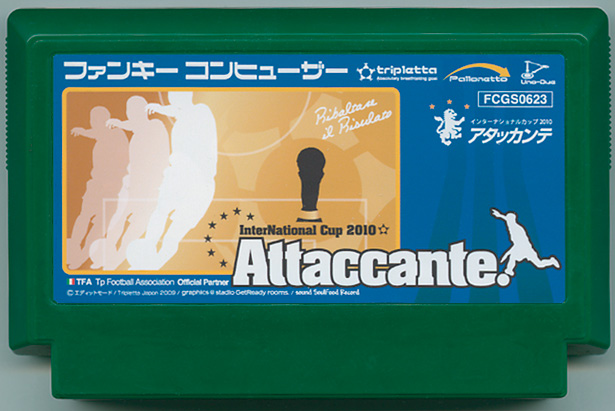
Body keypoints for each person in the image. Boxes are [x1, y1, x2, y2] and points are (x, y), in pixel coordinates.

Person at [126, 91, 218, 270]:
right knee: (163, 217)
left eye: (173, 97)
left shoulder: (200, 111)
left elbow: (180, 111)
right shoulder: (186, 116)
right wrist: (161, 109)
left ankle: (154, 262)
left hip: (193, 177)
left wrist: (161, 108)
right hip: (189, 177)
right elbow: (178, 111)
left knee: (172, 229)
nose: (171, 100)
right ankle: (149, 256)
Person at [89, 96, 170, 270]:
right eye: (129, 110)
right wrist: (119, 123)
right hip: (133, 185)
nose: (130, 114)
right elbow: (134, 125)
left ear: (144, 111)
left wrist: (155, 187)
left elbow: (138, 126)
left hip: (150, 188)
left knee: (135, 226)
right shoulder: (139, 129)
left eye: (134, 110)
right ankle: (109, 258)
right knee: (118, 220)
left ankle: (118, 259)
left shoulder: (155, 126)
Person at [66, 106, 128, 269]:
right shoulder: (104, 133)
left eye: (95, 120)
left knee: (99, 224)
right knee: (85, 216)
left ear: (104, 120)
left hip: (110, 188)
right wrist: (82, 131)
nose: (93, 123)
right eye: (92, 120)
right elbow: (96, 133)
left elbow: (123, 162)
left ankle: (82, 254)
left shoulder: (115, 133)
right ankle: (74, 247)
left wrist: (114, 184)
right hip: (97, 185)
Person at [491, 208, 560, 277]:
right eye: (508, 218)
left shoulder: (518, 229)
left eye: (509, 218)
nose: (508, 220)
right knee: (513, 257)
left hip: (527, 249)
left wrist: (506, 255)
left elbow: (519, 244)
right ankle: (508, 271)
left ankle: (551, 261)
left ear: (513, 219)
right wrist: (500, 215)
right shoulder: (510, 225)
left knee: (539, 264)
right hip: (518, 247)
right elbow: (506, 219)